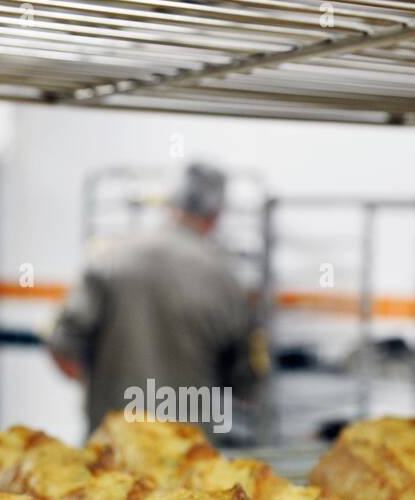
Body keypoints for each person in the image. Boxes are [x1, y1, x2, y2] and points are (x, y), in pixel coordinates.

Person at [47, 163, 263, 437]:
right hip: (188, 455)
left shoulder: (111, 259)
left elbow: (62, 344)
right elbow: (245, 380)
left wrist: (97, 390)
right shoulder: (225, 280)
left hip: (112, 446)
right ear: (215, 215)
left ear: (171, 205)